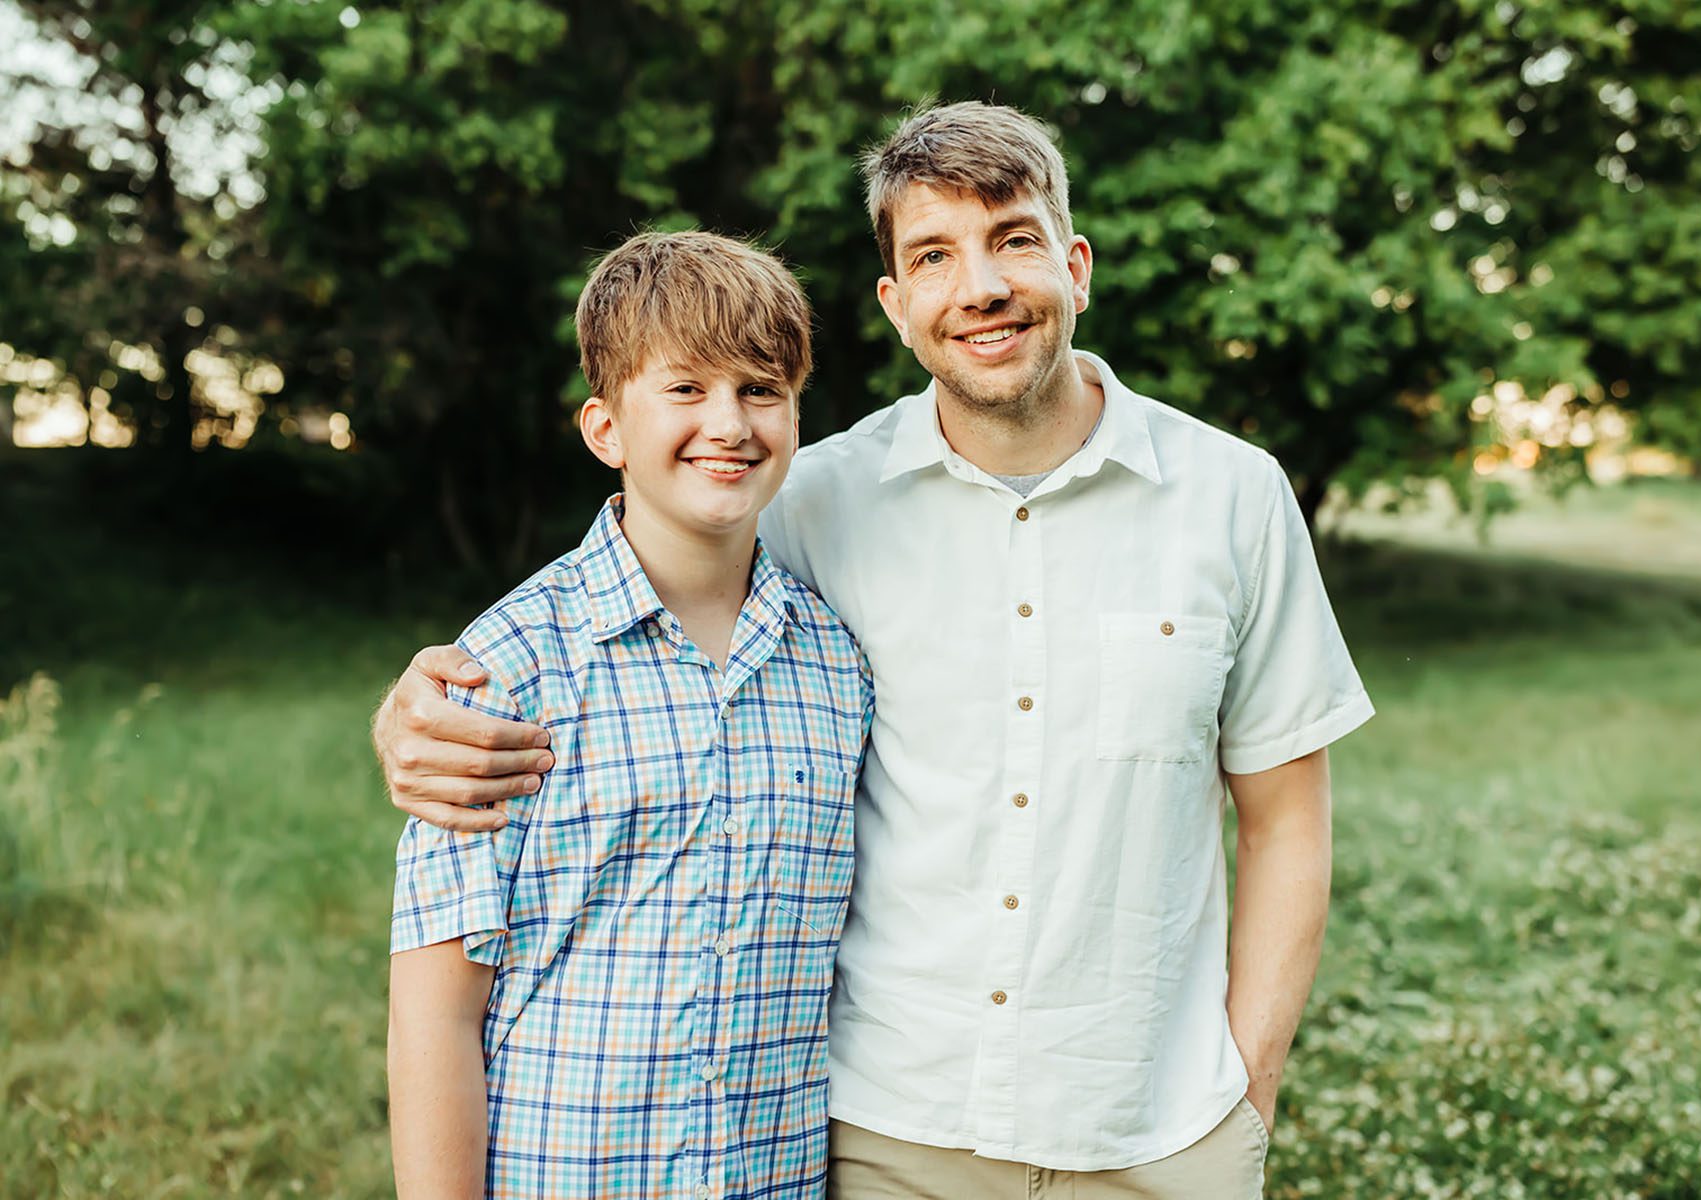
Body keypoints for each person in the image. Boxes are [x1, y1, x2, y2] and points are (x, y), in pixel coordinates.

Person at [377, 102, 1373, 1198]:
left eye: (1016, 239)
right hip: (886, 1135)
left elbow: (1287, 821)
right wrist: (417, 709)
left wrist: (1248, 1097)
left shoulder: (1234, 497)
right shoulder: (815, 501)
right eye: (935, 255)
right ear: (898, 306)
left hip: (1157, 1131)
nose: (982, 287)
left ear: (1076, 266)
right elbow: (654, 566)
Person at [385, 230, 874, 1200]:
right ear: (605, 429)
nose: (729, 423)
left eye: (761, 389)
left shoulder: (836, 663)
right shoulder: (505, 672)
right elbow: (435, 1014)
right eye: (686, 390)